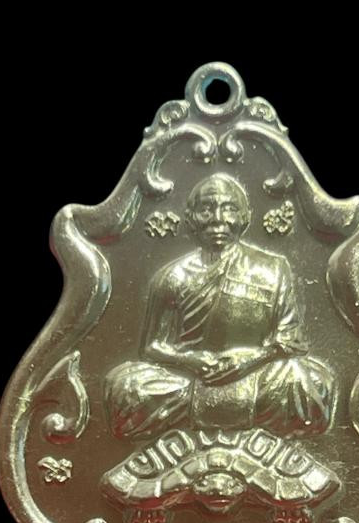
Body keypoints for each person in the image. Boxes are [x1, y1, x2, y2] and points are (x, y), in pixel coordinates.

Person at [105, 173, 334, 440]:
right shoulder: (171, 276)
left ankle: (205, 414)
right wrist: (192, 361)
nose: (218, 219)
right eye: (206, 209)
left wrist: (247, 361)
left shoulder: (273, 269)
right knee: (127, 387)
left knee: (310, 383)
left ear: (245, 217)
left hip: (256, 375)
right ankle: (230, 414)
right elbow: (151, 347)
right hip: (191, 379)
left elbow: (292, 341)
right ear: (190, 218)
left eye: (229, 208)